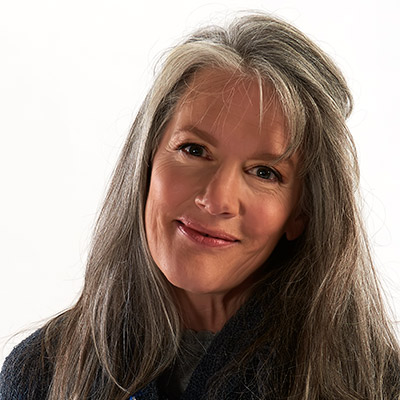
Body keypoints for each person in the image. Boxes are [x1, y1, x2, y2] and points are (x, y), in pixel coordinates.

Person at [1, 12, 399, 400]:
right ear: (147, 162)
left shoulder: (376, 385)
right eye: (194, 150)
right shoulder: (41, 372)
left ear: (301, 213)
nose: (215, 199)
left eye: (264, 172)